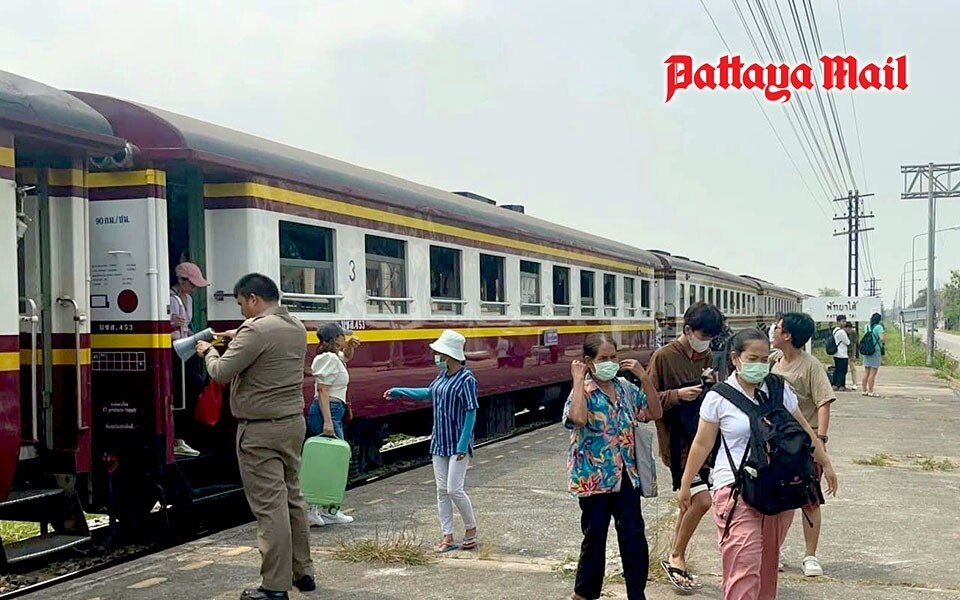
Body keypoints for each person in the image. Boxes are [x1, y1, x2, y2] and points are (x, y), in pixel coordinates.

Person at [679, 328, 838, 600]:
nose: (760, 365)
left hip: (777, 487)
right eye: (753, 358)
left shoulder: (778, 388)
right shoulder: (719, 397)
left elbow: (801, 428)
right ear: (735, 358)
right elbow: (702, 443)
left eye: (765, 359)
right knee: (743, 565)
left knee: (766, 567)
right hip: (735, 489)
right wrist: (686, 485)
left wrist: (824, 461)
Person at [197, 273, 314, 600]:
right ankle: (303, 572)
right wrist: (240, 335)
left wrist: (208, 351)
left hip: (260, 430)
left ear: (252, 298)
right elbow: (265, 343)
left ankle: (275, 587)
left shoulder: (256, 329)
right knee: (293, 498)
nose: (241, 312)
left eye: (241, 304)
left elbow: (221, 373)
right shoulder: (295, 326)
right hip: (291, 424)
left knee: (269, 508)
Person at [563, 333, 662, 600]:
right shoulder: (581, 391)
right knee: (594, 536)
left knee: (633, 535)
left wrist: (644, 378)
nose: (610, 362)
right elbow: (578, 419)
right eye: (603, 358)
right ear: (589, 361)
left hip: (626, 475)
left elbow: (654, 412)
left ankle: (636, 593)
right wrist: (577, 379)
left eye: (613, 357)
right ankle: (585, 592)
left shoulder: (625, 388)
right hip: (593, 478)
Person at [648, 302, 724, 592]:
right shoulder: (664, 357)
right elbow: (648, 405)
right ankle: (676, 555)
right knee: (702, 501)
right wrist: (678, 395)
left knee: (689, 503)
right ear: (687, 329)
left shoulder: (706, 356)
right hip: (678, 443)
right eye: (702, 336)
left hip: (705, 442)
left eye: (709, 339)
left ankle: (675, 555)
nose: (704, 343)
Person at [384, 330, 480, 553]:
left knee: (454, 489)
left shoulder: (467, 379)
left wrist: (463, 444)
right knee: (441, 490)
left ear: (448, 355)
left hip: (457, 443)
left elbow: (471, 412)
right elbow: (428, 393)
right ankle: (447, 535)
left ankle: (471, 528)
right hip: (439, 441)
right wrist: (400, 391)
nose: (435, 356)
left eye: (438, 353)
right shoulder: (442, 376)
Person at [770, 312, 836, 577]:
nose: (773, 330)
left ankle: (810, 555)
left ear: (787, 335)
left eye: (777, 327)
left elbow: (824, 402)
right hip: (777, 441)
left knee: (809, 499)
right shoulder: (774, 360)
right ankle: (774, 551)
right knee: (776, 499)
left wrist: (820, 440)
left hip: (804, 442)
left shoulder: (810, 366)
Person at [306, 322, 361, 527]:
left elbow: (345, 357)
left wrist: (351, 347)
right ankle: (315, 510)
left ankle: (329, 510)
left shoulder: (332, 357)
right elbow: (322, 391)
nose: (345, 339)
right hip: (327, 411)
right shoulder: (327, 358)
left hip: (333, 410)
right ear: (335, 338)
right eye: (343, 337)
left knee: (334, 462)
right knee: (329, 462)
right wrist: (328, 421)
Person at [170, 261, 210, 457]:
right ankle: (177, 438)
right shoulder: (170, 298)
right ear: (180, 280)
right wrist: (170, 325)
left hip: (186, 347)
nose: (193, 289)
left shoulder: (188, 300)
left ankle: (182, 437)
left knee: (192, 387)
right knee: (185, 389)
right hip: (173, 349)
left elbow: (186, 326)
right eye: (191, 284)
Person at [861, 312, 885, 398]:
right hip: (875, 350)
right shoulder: (879, 327)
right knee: (873, 372)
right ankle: (871, 391)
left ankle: (864, 390)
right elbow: (882, 339)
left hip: (867, 350)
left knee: (866, 371)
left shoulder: (867, 326)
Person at [831, 315, 852, 392]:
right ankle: (841, 385)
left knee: (837, 369)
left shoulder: (835, 330)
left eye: (845, 321)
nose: (844, 323)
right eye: (843, 321)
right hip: (842, 354)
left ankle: (835, 384)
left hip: (836, 353)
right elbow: (848, 342)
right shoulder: (841, 332)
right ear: (838, 322)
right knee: (843, 370)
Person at [844, 321, 859, 390]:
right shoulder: (842, 333)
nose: (849, 330)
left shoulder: (853, 333)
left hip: (850, 352)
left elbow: (854, 345)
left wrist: (854, 355)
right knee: (843, 369)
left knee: (853, 368)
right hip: (843, 353)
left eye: (850, 328)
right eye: (848, 328)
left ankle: (854, 383)